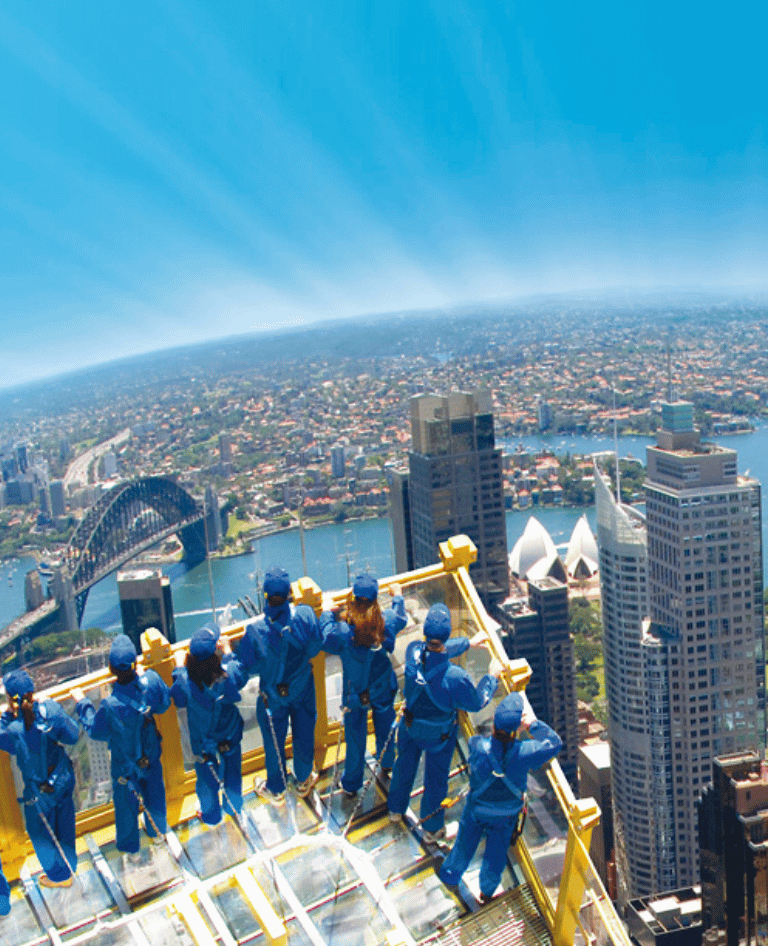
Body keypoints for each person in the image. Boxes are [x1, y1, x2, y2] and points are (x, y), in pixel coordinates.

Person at [387, 603, 498, 840]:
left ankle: (395, 810)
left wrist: (467, 644)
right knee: (435, 780)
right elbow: (477, 702)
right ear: (448, 634)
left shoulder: (413, 653)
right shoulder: (455, 678)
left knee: (403, 768)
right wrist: (492, 677)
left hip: (409, 727)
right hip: (439, 736)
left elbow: (435, 650)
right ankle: (431, 827)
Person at [438, 691, 562, 901]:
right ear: (516, 730)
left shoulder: (477, 745)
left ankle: (450, 877)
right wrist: (532, 725)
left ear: (495, 725)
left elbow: (483, 744)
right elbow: (554, 743)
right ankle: (487, 892)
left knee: (464, 845)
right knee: (495, 855)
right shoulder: (526, 752)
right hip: (506, 815)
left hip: (477, 809)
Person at [74, 635, 171, 857]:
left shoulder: (109, 705)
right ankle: (158, 835)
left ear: (111, 669)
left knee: (126, 808)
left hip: (125, 768)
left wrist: (83, 703)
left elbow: (94, 730)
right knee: (155, 796)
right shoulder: (152, 681)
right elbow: (164, 704)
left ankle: (131, 850)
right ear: (135, 663)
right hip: (151, 758)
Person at [237, 565, 323, 805]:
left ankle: (276, 788)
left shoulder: (255, 631)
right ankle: (303, 779)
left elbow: (246, 666)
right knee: (304, 733)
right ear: (289, 595)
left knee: (274, 740)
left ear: (265, 597)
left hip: (272, 695)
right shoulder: (305, 615)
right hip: (303, 688)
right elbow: (315, 647)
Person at [320, 575, 407, 796]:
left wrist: (328, 611)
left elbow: (325, 634)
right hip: (382, 687)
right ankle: (387, 762)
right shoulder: (385, 621)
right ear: (375, 600)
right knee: (386, 727)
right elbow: (401, 618)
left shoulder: (343, 632)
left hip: (355, 694)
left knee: (355, 738)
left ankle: (351, 784)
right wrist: (397, 597)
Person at [0, 670, 79, 888]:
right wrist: (53, 710)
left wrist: (8, 716)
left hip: (38, 793)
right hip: (61, 780)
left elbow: (10, 745)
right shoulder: (50, 712)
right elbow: (72, 735)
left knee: (40, 834)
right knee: (65, 824)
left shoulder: (11, 729)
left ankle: (59, 877)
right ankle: (69, 867)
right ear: (33, 693)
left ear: (9, 698)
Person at [171, 623, 248, 825]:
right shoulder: (227, 674)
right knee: (232, 772)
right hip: (229, 735)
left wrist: (179, 667)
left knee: (206, 780)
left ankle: (211, 815)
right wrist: (229, 652)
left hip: (203, 742)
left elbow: (178, 697)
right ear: (216, 653)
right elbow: (240, 676)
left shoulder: (185, 683)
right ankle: (234, 807)